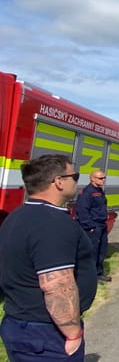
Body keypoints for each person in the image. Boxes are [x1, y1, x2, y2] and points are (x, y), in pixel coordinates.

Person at [0, 154, 97, 360]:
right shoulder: (53, 223)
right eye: (75, 176)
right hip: (46, 333)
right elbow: (57, 284)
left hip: (20, 324)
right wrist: (72, 333)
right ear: (59, 182)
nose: (78, 182)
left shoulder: (16, 217)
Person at [75, 170, 112, 283]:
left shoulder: (99, 191)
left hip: (101, 224)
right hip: (93, 226)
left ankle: (99, 273)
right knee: (92, 252)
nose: (103, 180)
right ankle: (90, 277)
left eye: (104, 177)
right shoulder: (87, 193)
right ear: (92, 179)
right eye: (100, 178)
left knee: (101, 250)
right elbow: (82, 211)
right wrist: (90, 226)